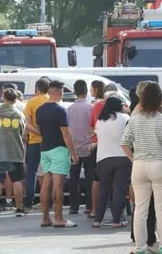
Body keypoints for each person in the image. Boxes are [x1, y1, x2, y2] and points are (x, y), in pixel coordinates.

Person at [121, 81, 162, 254]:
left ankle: (140, 248)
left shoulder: (134, 120)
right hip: (160, 165)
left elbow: (124, 144)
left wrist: (134, 159)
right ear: (161, 99)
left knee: (140, 209)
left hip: (139, 166)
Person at [37, 80, 79, 228]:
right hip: (59, 149)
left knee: (46, 183)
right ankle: (59, 218)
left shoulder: (40, 110)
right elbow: (66, 133)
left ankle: (45, 218)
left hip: (45, 149)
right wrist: (73, 153)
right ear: (60, 93)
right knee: (58, 186)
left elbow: (39, 129)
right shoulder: (60, 110)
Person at [92, 96, 131, 228]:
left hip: (102, 159)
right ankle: (116, 220)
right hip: (122, 157)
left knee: (104, 189)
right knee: (119, 190)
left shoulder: (99, 121)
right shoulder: (125, 118)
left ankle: (98, 219)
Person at [0, 88, 27, 217]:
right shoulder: (19, 115)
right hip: (15, 150)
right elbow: (23, 133)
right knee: (17, 180)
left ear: (3, 97)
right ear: (16, 99)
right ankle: (19, 208)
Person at [67, 80, 95, 215]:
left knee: (74, 178)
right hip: (89, 147)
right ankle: (90, 205)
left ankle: (74, 206)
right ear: (87, 91)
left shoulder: (69, 109)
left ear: (74, 91)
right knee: (90, 178)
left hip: (74, 148)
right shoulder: (91, 108)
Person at [23, 78, 50, 211]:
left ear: (37, 88)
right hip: (50, 142)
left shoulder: (31, 102)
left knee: (32, 172)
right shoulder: (52, 100)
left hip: (34, 142)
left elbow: (27, 124)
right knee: (49, 172)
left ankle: (29, 201)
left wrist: (38, 132)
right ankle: (48, 200)